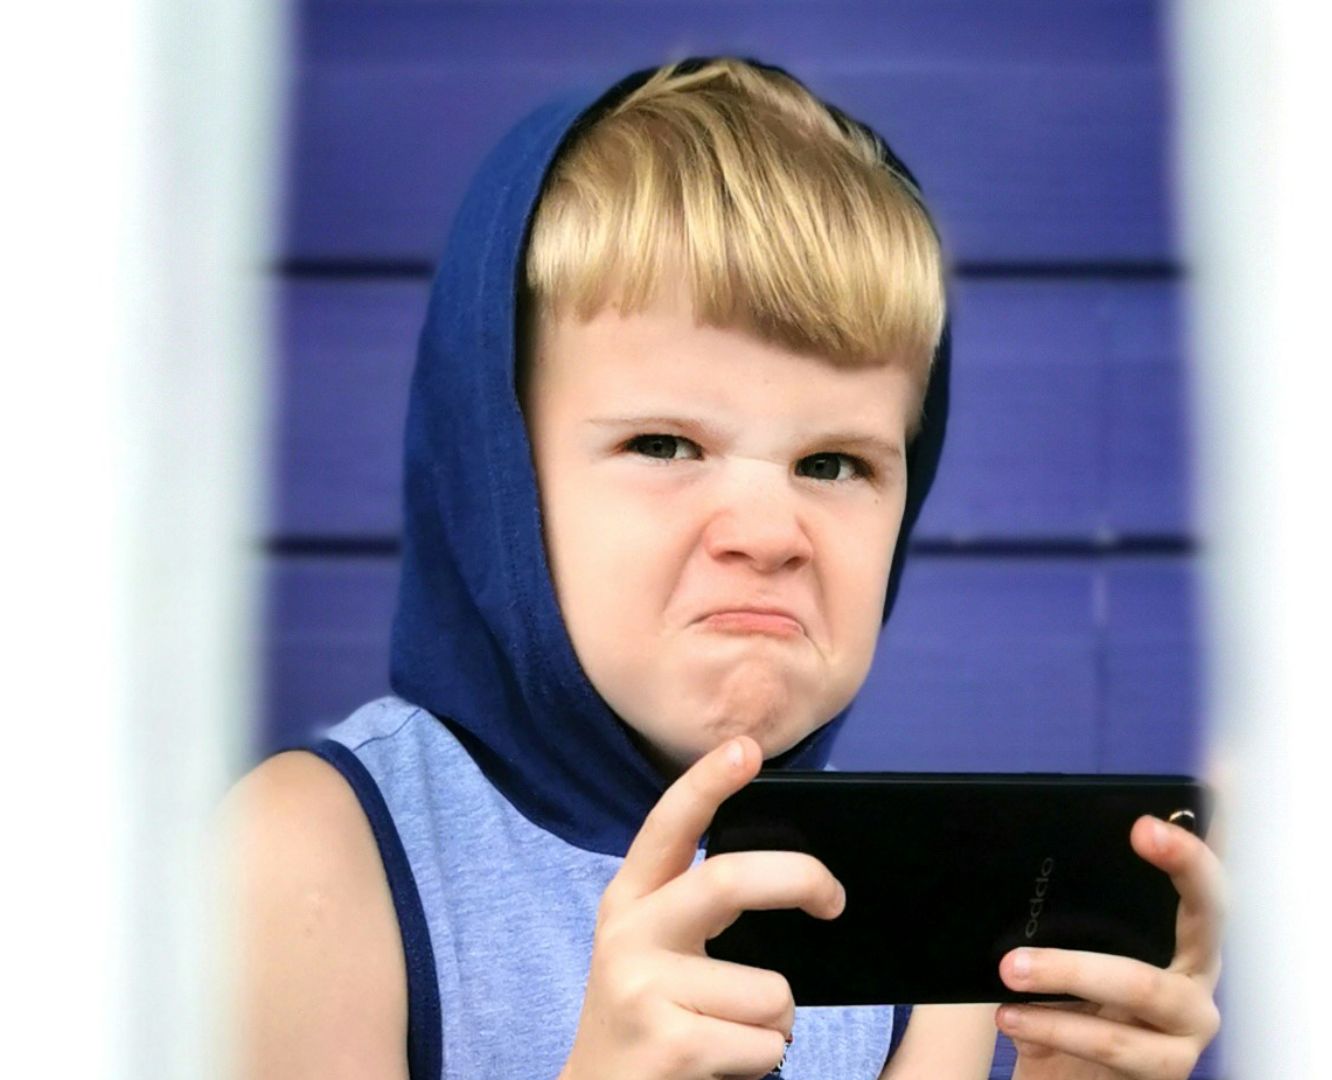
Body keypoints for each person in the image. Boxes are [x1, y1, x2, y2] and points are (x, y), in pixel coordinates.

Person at [222, 56, 1223, 1079]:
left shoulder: (909, 918)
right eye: (664, 445)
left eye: (834, 464)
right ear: (499, 478)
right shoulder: (317, 859)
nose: (767, 529)